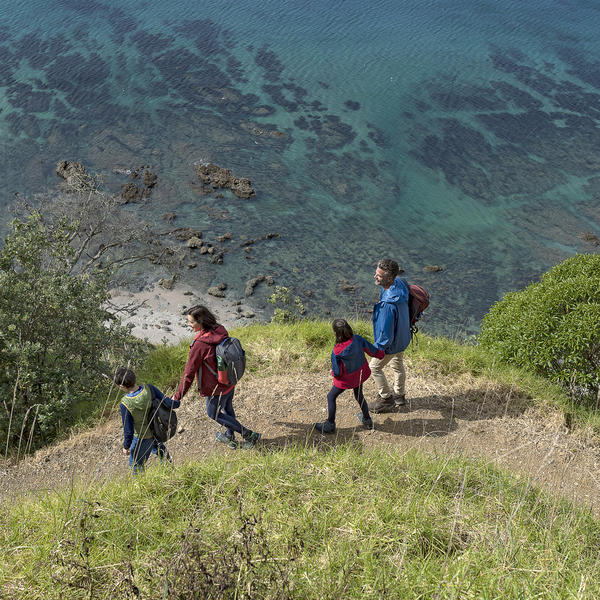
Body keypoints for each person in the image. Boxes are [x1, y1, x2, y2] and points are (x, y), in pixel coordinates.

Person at [173, 305, 260, 449]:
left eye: (191, 322)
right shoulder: (220, 329)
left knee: (213, 413)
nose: (189, 325)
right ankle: (229, 436)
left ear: (201, 322)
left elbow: (189, 373)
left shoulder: (199, 345)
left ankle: (249, 435)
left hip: (215, 388)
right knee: (227, 407)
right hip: (229, 380)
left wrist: (178, 396)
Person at [314, 319, 384, 433]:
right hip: (360, 375)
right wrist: (381, 354)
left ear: (336, 333)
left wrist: (332, 373)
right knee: (359, 395)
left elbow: (337, 372)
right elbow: (372, 351)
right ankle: (367, 420)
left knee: (331, 397)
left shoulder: (337, 351)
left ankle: (330, 424)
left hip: (346, 380)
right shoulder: (357, 339)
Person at [114, 366, 179, 474]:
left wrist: (126, 446)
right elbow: (167, 403)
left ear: (122, 387)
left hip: (142, 437)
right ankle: (171, 474)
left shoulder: (125, 404)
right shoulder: (149, 388)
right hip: (157, 429)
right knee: (161, 452)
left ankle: (141, 488)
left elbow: (128, 430)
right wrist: (177, 402)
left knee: (136, 464)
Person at [368, 259, 412, 414]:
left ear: (389, 278)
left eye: (379, 276)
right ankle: (399, 395)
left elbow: (385, 336)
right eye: (376, 273)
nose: (375, 277)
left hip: (392, 343)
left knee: (374, 367)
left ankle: (386, 398)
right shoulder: (400, 283)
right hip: (403, 336)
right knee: (397, 364)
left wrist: (375, 350)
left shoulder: (387, 305)